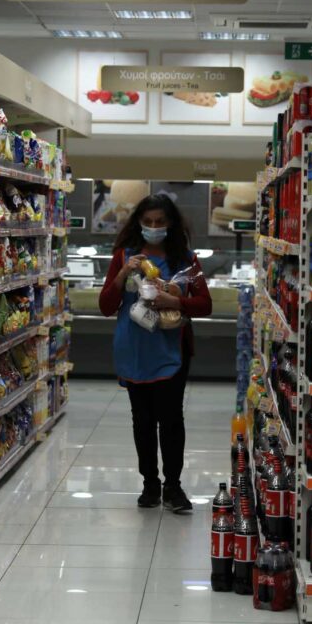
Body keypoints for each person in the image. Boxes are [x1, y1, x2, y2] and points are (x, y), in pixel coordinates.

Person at [98, 194, 213, 513]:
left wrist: (175, 301)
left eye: (159, 222)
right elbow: (105, 306)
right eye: (147, 222)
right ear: (138, 223)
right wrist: (122, 274)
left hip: (171, 350)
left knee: (171, 419)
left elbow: (205, 304)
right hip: (134, 348)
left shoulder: (186, 261)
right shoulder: (124, 256)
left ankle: (173, 486)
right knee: (143, 420)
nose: (153, 227)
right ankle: (150, 483)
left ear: (171, 223)